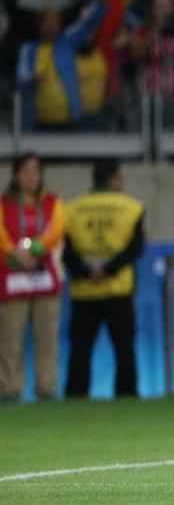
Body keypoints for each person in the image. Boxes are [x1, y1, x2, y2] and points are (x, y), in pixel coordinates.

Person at [62, 159, 146, 399]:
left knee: (80, 349)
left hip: (84, 290)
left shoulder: (72, 208)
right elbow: (135, 249)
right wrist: (108, 269)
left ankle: (75, 397)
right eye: (120, 177)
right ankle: (126, 396)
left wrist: (87, 272)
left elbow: (66, 251)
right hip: (118, 289)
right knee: (124, 348)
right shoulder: (132, 207)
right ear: (113, 178)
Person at [0, 152, 65, 401]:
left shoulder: (52, 202)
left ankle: (46, 387)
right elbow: (1, 234)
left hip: (44, 277)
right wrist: (15, 253)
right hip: (12, 277)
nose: (32, 176)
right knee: (10, 339)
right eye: (26, 170)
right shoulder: (4, 203)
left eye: (36, 170)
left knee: (47, 338)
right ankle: (9, 388)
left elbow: (56, 230)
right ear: (16, 174)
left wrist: (36, 249)